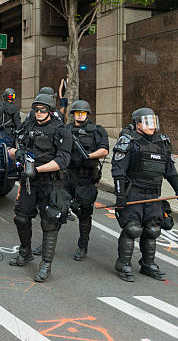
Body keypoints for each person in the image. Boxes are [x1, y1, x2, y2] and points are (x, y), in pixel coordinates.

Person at [111, 108, 178, 282]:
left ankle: (147, 264)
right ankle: (123, 263)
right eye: (145, 122)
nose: (150, 125)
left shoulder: (162, 143)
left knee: (153, 229)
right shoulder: (128, 141)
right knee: (132, 229)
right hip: (134, 193)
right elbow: (118, 171)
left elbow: (170, 171)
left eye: (152, 121)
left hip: (154, 194)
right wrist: (120, 196)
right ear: (136, 124)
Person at [8, 93, 72, 282]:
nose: (39, 112)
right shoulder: (28, 126)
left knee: (49, 222)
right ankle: (25, 252)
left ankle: (45, 264)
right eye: (36, 109)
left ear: (50, 111)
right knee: (21, 217)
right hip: (30, 182)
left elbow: (63, 160)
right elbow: (11, 148)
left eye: (43, 109)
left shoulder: (61, 130)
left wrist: (37, 169)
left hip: (51, 182)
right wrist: (17, 153)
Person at [65, 100, 109, 261]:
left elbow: (104, 150)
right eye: (77, 113)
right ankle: (46, 245)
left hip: (86, 177)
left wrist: (89, 156)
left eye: (83, 113)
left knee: (84, 213)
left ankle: (83, 245)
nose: (80, 115)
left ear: (87, 114)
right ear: (74, 114)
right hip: (67, 176)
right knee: (54, 210)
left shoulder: (97, 131)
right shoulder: (66, 129)